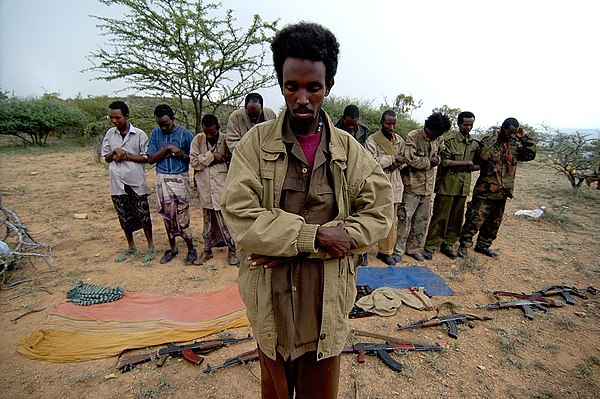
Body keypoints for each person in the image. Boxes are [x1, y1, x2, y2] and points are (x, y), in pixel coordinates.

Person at [221, 22, 393, 399]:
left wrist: (287, 241)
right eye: (291, 87)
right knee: (275, 391)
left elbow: (380, 212)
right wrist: (315, 236)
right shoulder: (254, 144)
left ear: (327, 87)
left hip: (326, 297)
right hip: (271, 294)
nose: (302, 98)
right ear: (280, 84)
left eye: (313, 87)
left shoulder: (349, 150)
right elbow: (240, 215)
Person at [458, 117, 536, 258]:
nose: (511, 135)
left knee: (493, 224)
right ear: (502, 129)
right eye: (509, 132)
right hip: (485, 191)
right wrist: (494, 139)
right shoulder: (489, 142)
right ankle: (464, 245)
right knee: (474, 220)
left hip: (503, 192)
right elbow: (484, 155)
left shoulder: (513, 146)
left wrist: (524, 137)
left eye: (514, 133)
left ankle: (483, 246)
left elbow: (530, 154)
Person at [101, 101, 155, 263]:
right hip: (117, 181)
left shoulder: (139, 134)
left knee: (143, 213)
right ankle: (131, 245)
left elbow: (146, 157)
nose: (114, 121)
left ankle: (151, 246)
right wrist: (115, 151)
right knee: (123, 214)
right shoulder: (110, 134)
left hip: (135, 180)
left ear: (126, 116)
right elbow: (106, 157)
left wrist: (126, 154)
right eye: (111, 117)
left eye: (117, 117)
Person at [423, 111, 480, 260]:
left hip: (463, 186)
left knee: (456, 218)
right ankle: (431, 245)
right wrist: (466, 164)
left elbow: (478, 164)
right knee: (440, 217)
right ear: (459, 124)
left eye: (471, 125)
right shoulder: (449, 141)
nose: (468, 127)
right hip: (447, 185)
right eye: (465, 124)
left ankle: (448, 244)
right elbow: (445, 162)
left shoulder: (474, 143)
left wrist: (466, 166)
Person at [394, 112, 451, 262]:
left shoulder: (439, 138)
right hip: (412, 185)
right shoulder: (414, 136)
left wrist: (435, 160)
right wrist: (429, 162)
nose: (437, 136)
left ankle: (412, 249)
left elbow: (441, 155)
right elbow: (410, 159)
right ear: (429, 128)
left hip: (428, 187)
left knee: (422, 220)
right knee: (405, 218)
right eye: (435, 133)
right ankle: (398, 250)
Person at [147, 104, 197, 265]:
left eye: (166, 123)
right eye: (160, 124)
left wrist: (180, 154)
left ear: (173, 119)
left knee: (183, 217)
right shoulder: (155, 133)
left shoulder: (185, 134)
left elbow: (193, 158)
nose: (163, 127)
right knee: (168, 216)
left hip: (180, 178)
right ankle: (173, 248)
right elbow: (150, 159)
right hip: (162, 177)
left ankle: (191, 249)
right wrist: (168, 148)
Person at [189, 114, 238, 266]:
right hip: (205, 187)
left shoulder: (225, 139)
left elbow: (232, 160)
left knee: (226, 221)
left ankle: (232, 251)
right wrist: (212, 156)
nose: (209, 135)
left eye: (212, 132)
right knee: (207, 222)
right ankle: (207, 251)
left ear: (218, 128)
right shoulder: (197, 140)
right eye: (206, 132)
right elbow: (194, 162)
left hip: (222, 187)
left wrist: (210, 159)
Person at [366, 110, 406, 265]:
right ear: (381, 123)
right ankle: (364, 250)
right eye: (388, 123)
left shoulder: (399, 141)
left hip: (394, 184)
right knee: (371, 217)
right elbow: (370, 161)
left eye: (394, 123)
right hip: (378, 183)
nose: (391, 126)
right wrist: (391, 158)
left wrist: (396, 162)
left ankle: (385, 251)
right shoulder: (372, 140)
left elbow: (405, 159)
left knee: (390, 220)